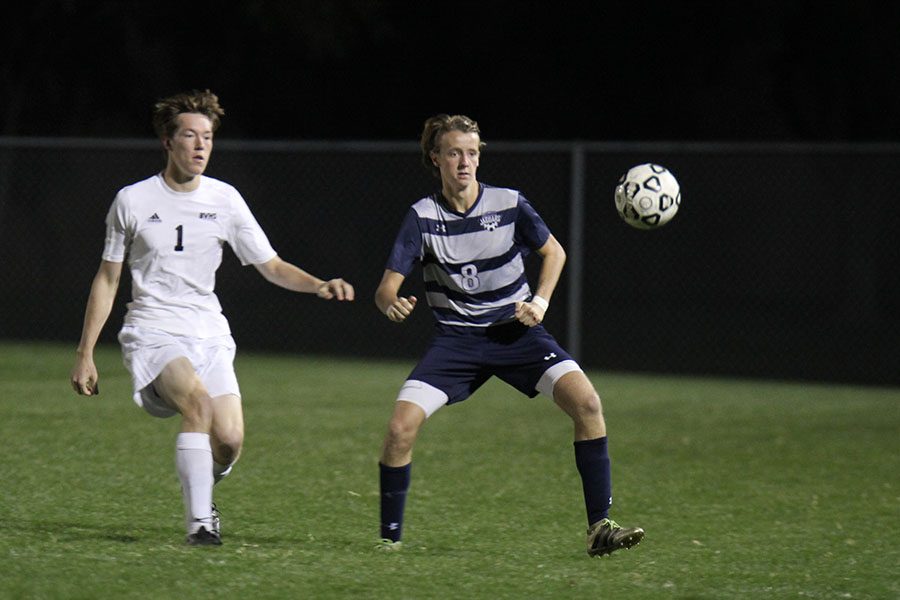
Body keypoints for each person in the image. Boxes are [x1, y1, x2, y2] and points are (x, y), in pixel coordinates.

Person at [70, 89, 355, 546]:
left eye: (207, 137)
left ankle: (203, 486)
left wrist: (318, 284)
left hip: (209, 332)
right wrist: (85, 352)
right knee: (198, 406)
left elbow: (272, 266)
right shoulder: (132, 200)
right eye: (190, 136)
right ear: (167, 142)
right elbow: (107, 278)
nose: (201, 146)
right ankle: (200, 526)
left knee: (229, 441)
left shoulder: (225, 199)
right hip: (153, 329)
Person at [374, 114, 643, 557]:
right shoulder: (422, 217)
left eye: (473, 153)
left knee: (588, 403)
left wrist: (539, 302)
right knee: (399, 429)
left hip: (515, 334)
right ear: (435, 157)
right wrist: (392, 304)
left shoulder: (509, 203)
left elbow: (554, 251)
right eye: (455, 152)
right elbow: (386, 288)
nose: (465, 162)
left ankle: (600, 528)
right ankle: (388, 542)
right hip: (456, 342)